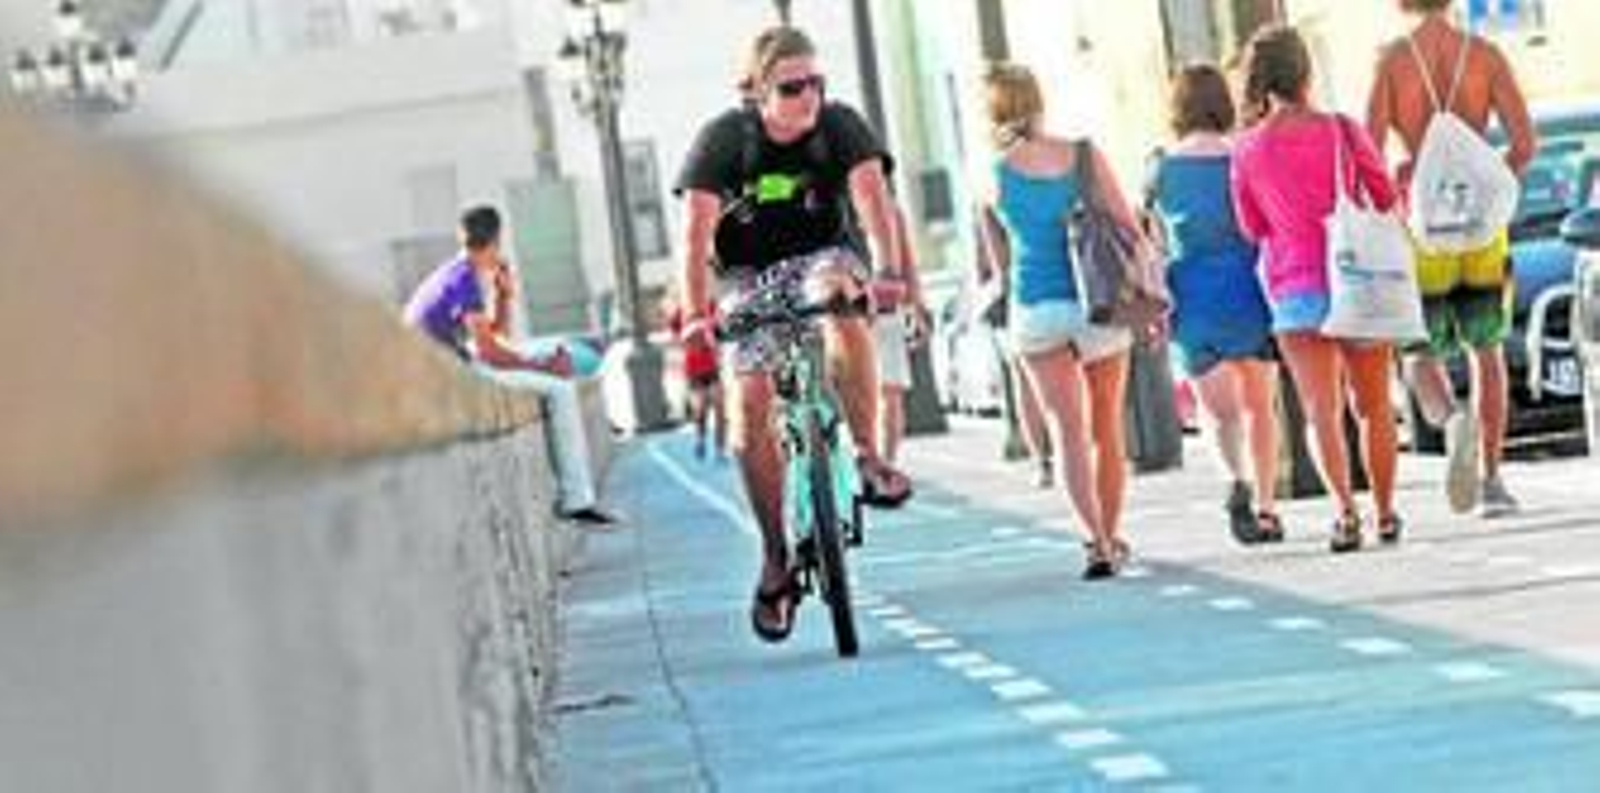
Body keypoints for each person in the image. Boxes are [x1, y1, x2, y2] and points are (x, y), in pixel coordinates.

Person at [674, 26, 911, 642]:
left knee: (837, 294)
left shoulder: (839, 126)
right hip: (747, 278)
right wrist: (696, 314)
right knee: (748, 407)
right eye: (792, 87)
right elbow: (695, 236)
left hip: (824, 257)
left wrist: (888, 271)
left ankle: (866, 455)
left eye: (816, 83)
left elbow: (873, 201)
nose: (809, 97)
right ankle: (776, 558)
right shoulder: (725, 140)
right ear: (757, 92)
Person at [1232, 25, 1401, 552]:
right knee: (1373, 406)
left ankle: (1345, 514)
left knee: (1320, 410)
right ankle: (1385, 513)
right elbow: (1384, 195)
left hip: (1295, 289)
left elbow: (1251, 227)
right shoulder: (1342, 131)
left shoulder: (1248, 148)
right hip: (1358, 280)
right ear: (1306, 71)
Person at [1366, 0, 1538, 518]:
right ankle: (1492, 480)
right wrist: (1492, 185)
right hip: (1482, 229)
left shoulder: (1392, 62)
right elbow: (1525, 144)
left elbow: (1369, 152)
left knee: (1419, 353)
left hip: (1424, 229)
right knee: (1487, 351)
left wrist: (1399, 190)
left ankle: (1450, 420)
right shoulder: (1485, 55)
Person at [977, 62, 1135, 579]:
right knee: (1106, 429)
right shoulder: (1084, 155)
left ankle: (1095, 542)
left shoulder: (993, 173)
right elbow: (1128, 226)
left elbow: (999, 264)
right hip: (1099, 304)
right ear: (1038, 100)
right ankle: (1112, 533)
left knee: (1068, 433)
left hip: (1036, 307)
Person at [403, 205, 615, 525]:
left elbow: (496, 336)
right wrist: (542, 367)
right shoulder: (464, 280)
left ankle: (578, 499)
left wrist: (504, 296)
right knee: (560, 389)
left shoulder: (457, 273)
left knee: (544, 364)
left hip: (449, 366)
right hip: (443, 376)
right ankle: (577, 501)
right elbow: (491, 353)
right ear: (495, 241)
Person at [1146, 64, 1281, 545]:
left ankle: (1234, 480)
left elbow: (1152, 244)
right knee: (1260, 408)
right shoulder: (1244, 155)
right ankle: (1266, 509)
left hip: (1192, 297)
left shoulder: (1160, 169)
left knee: (1220, 413)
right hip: (1249, 290)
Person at [874, 207, 930, 468]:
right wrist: (916, 306)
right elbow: (908, 262)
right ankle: (885, 464)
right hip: (883, 302)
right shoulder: (888, 207)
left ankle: (881, 462)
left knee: (885, 392)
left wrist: (916, 307)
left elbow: (907, 260)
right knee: (889, 391)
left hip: (859, 304)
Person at [668, 298, 727, 460]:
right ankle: (700, 438)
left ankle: (720, 448)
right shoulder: (680, 312)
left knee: (720, 408)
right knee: (701, 409)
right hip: (694, 372)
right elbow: (676, 339)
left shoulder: (711, 305)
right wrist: (690, 337)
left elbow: (721, 329)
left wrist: (713, 336)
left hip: (712, 369)